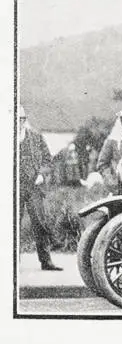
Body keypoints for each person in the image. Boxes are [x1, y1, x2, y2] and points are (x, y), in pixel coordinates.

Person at [18, 106, 62, 271]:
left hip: (34, 188)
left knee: (40, 223)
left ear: (24, 120)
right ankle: (13, 262)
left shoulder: (36, 138)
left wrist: (42, 175)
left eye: (21, 119)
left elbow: (47, 160)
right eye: (15, 119)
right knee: (13, 224)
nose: (19, 122)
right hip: (14, 189)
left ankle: (46, 261)